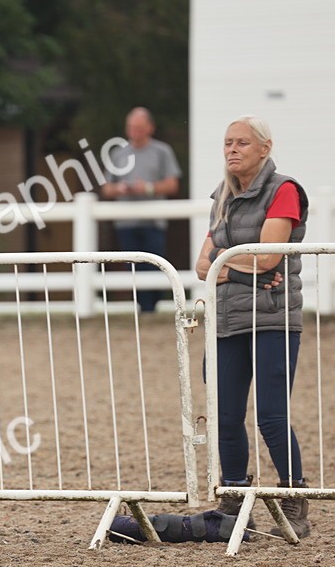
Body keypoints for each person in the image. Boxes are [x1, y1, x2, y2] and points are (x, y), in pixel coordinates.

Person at [194, 115, 311, 538]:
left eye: (242, 142)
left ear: (265, 148)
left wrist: (225, 264)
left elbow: (269, 258)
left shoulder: (284, 190)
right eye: (228, 142)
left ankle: (295, 498)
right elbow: (202, 265)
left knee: (271, 416)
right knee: (225, 414)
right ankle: (233, 499)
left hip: (273, 320)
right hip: (227, 320)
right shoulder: (221, 196)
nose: (233, 149)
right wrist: (235, 269)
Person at [101, 107, 182, 313]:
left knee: (155, 264)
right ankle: (144, 308)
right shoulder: (118, 153)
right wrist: (121, 188)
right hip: (126, 221)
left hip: (153, 221)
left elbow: (173, 184)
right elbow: (106, 188)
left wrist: (148, 188)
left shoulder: (162, 151)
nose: (134, 131)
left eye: (138, 127)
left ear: (149, 128)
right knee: (134, 266)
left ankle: (152, 306)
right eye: (131, 127)